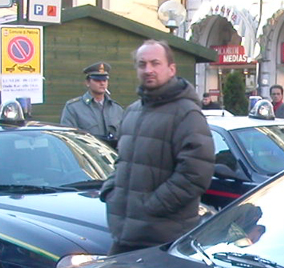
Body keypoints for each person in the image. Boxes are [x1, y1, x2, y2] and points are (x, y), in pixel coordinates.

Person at [99, 39, 215, 255]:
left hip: (164, 239)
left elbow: (195, 175)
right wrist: (111, 190)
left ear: (171, 69)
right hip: (126, 235)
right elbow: (123, 161)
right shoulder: (133, 112)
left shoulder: (187, 114)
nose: (148, 70)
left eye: (155, 63)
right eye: (142, 64)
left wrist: (151, 207)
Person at [61, 62, 124, 146]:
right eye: (97, 80)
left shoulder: (116, 109)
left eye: (104, 80)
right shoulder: (73, 108)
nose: (102, 83)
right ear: (88, 82)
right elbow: (67, 139)